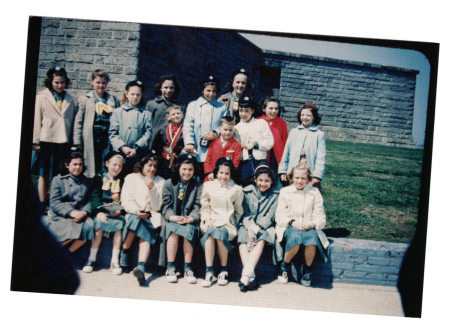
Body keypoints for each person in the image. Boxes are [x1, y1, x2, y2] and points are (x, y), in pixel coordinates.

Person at [275, 163, 329, 287]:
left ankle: (307, 270)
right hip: (290, 226)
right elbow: (279, 216)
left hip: (308, 226)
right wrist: (292, 222)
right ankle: (285, 266)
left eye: (303, 178)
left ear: (308, 179)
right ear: (292, 178)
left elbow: (320, 216)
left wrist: (312, 223)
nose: (299, 181)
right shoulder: (285, 191)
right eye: (297, 178)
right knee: (296, 238)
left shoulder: (314, 192)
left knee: (311, 239)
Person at [33, 67, 78, 204]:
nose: (60, 85)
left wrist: (72, 143)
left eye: (62, 82)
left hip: (62, 141)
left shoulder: (70, 99)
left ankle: (54, 203)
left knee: (58, 173)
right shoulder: (42, 97)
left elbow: (71, 122)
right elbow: (36, 119)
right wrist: (35, 141)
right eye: (56, 82)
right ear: (50, 82)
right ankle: (41, 203)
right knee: (43, 172)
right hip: (46, 140)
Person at [120, 151, 165, 285]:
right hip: (134, 213)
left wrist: (152, 189)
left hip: (151, 216)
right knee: (137, 219)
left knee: (144, 222)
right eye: (149, 165)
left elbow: (157, 207)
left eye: (155, 166)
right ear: (142, 165)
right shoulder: (131, 178)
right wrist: (136, 210)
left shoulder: (160, 181)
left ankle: (137, 264)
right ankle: (130, 255)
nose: (152, 169)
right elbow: (126, 200)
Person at [199, 157, 244, 287]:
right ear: (216, 173)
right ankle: (209, 271)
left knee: (220, 234)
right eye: (221, 173)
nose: (223, 176)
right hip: (210, 220)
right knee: (210, 233)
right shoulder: (208, 185)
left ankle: (224, 270)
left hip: (227, 224)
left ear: (231, 174)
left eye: (227, 173)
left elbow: (238, 211)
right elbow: (204, 205)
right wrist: (206, 219)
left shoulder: (236, 189)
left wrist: (231, 222)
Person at [82, 152, 126, 275]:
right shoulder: (99, 178)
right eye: (114, 165)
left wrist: (120, 211)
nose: (117, 168)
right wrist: (98, 212)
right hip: (102, 211)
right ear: (107, 164)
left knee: (119, 227)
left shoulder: (122, 180)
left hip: (116, 212)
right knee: (99, 227)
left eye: (120, 166)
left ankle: (114, 260)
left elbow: (124, 197)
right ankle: (91, 259)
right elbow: (95, 196)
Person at [161, 154, 202, 284]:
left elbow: (197, 205)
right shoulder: (168, 183)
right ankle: (170, 267)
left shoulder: (198, 186)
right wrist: (171, 216)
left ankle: (188, 268)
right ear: (178, 168)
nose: (187, 172)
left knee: (188, 230)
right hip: (173, 218)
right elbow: (165, 205)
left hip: (188, 219)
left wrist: (193, 218)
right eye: (184, 169)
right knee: (172, 230)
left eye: (190, 169)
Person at [237, 165, 279, 292]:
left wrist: (258, 226)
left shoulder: (275, 196)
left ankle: (245, 275)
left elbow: (270, 216)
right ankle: (250, 276)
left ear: (272, 181)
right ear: (255, 180)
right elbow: (244, 212)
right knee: (243, 239)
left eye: (267, 181)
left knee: (261, 239)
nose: (263, 184)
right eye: (260, 180)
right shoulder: (246, 192)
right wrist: (250, 226)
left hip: (264, 226)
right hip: (247, 224)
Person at [73, 69, 121, 178]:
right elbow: (78, 122)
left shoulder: (113, 100)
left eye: (103, 83)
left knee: (105, 162)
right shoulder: (85, 99)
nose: (101, 85)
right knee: (90, 163)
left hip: (106, 138)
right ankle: (91, 187)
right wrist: (77, 142)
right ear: (92, 82)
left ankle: (103, 186)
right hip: (91, 137)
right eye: (98, 82)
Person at [45, 150, 93, 253]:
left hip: (80, 215)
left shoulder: (86, 181)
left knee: (89, 227)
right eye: (75, 164)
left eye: (80, 164)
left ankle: (65, 254)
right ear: (67, 165)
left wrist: (84, 213)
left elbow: (88, 201)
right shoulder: (58, 180)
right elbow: (55, 203)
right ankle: (53, 252)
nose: (78, 167)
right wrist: (71, 213)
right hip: (63, 215)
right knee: (70, 227)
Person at [183, 75, 229, 179]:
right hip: (196, 149)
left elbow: (226, 125)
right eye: (208, 90)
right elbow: (188, 125)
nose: (211, 94)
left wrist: (216, 133)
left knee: (211, 176)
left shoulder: (221, 108)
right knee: (194, 176)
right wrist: (189, 142)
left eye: (214, 91)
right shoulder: (193, 105)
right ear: (202, 90)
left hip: (213, 148)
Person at [109, 80, 152, 176]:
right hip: (120, 153)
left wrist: (136, 149)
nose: (135, 97)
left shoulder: (146, 114)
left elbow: (148, 133)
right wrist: (122, 147)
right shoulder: (118, 112)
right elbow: (112, 134)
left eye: (138, 95)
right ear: (126, 94)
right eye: (132, 94)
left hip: (138, 153)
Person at [278, 103, 326, 191]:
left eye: (308, 115)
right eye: (302, 115)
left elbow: (321, 157)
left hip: (309, 174)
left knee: (309, 198)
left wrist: (317, 176)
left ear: (314, 117)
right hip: (295, 172)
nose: (305, 117)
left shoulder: (319, 134)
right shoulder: (294, 132)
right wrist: (283, 170)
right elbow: (286, 152)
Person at [235, 96, 274, 184]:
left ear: (252, 110)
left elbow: (269, 141)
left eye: (246, 111)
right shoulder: (236, 128)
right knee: (247, 184)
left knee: (261, 183)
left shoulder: (261, 123)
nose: (243, 114)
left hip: (259, 160)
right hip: (245, 161)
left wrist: (255, 144)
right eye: (241, 111)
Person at [257, 97, 288, 185]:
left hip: (276, 156)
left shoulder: (282, 122)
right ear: (264, 109)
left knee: (274, 178)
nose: (274, 111)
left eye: (276, 108)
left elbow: (285, 140)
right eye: (271, 108)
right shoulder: (258, 121)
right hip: (263, 154)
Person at [146, 75, 183, 147]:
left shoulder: (180, 106)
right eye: (165, 87)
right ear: (160, 88)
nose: (168, 90)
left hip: (172, 143)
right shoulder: (152, 104)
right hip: (153, 142)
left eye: (171, 88)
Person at [203, 116, 241, 182]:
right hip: (212, 176)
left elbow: (235, 163)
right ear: (220, 129)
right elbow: (208, 160)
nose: (228, 132)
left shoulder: (237, 145)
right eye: (225, 130)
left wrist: (227, 174)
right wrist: (209, 172)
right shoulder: (213, 143)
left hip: (227, 178)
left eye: (230, 130)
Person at [151, 104, 184, 179]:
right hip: (164, 163)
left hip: (179, 162)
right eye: (173, 114)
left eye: (178, 113)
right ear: (168, 117)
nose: (176, 116)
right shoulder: (162, 130)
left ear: (182, 114)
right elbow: (156, 146)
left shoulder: (186, 130)